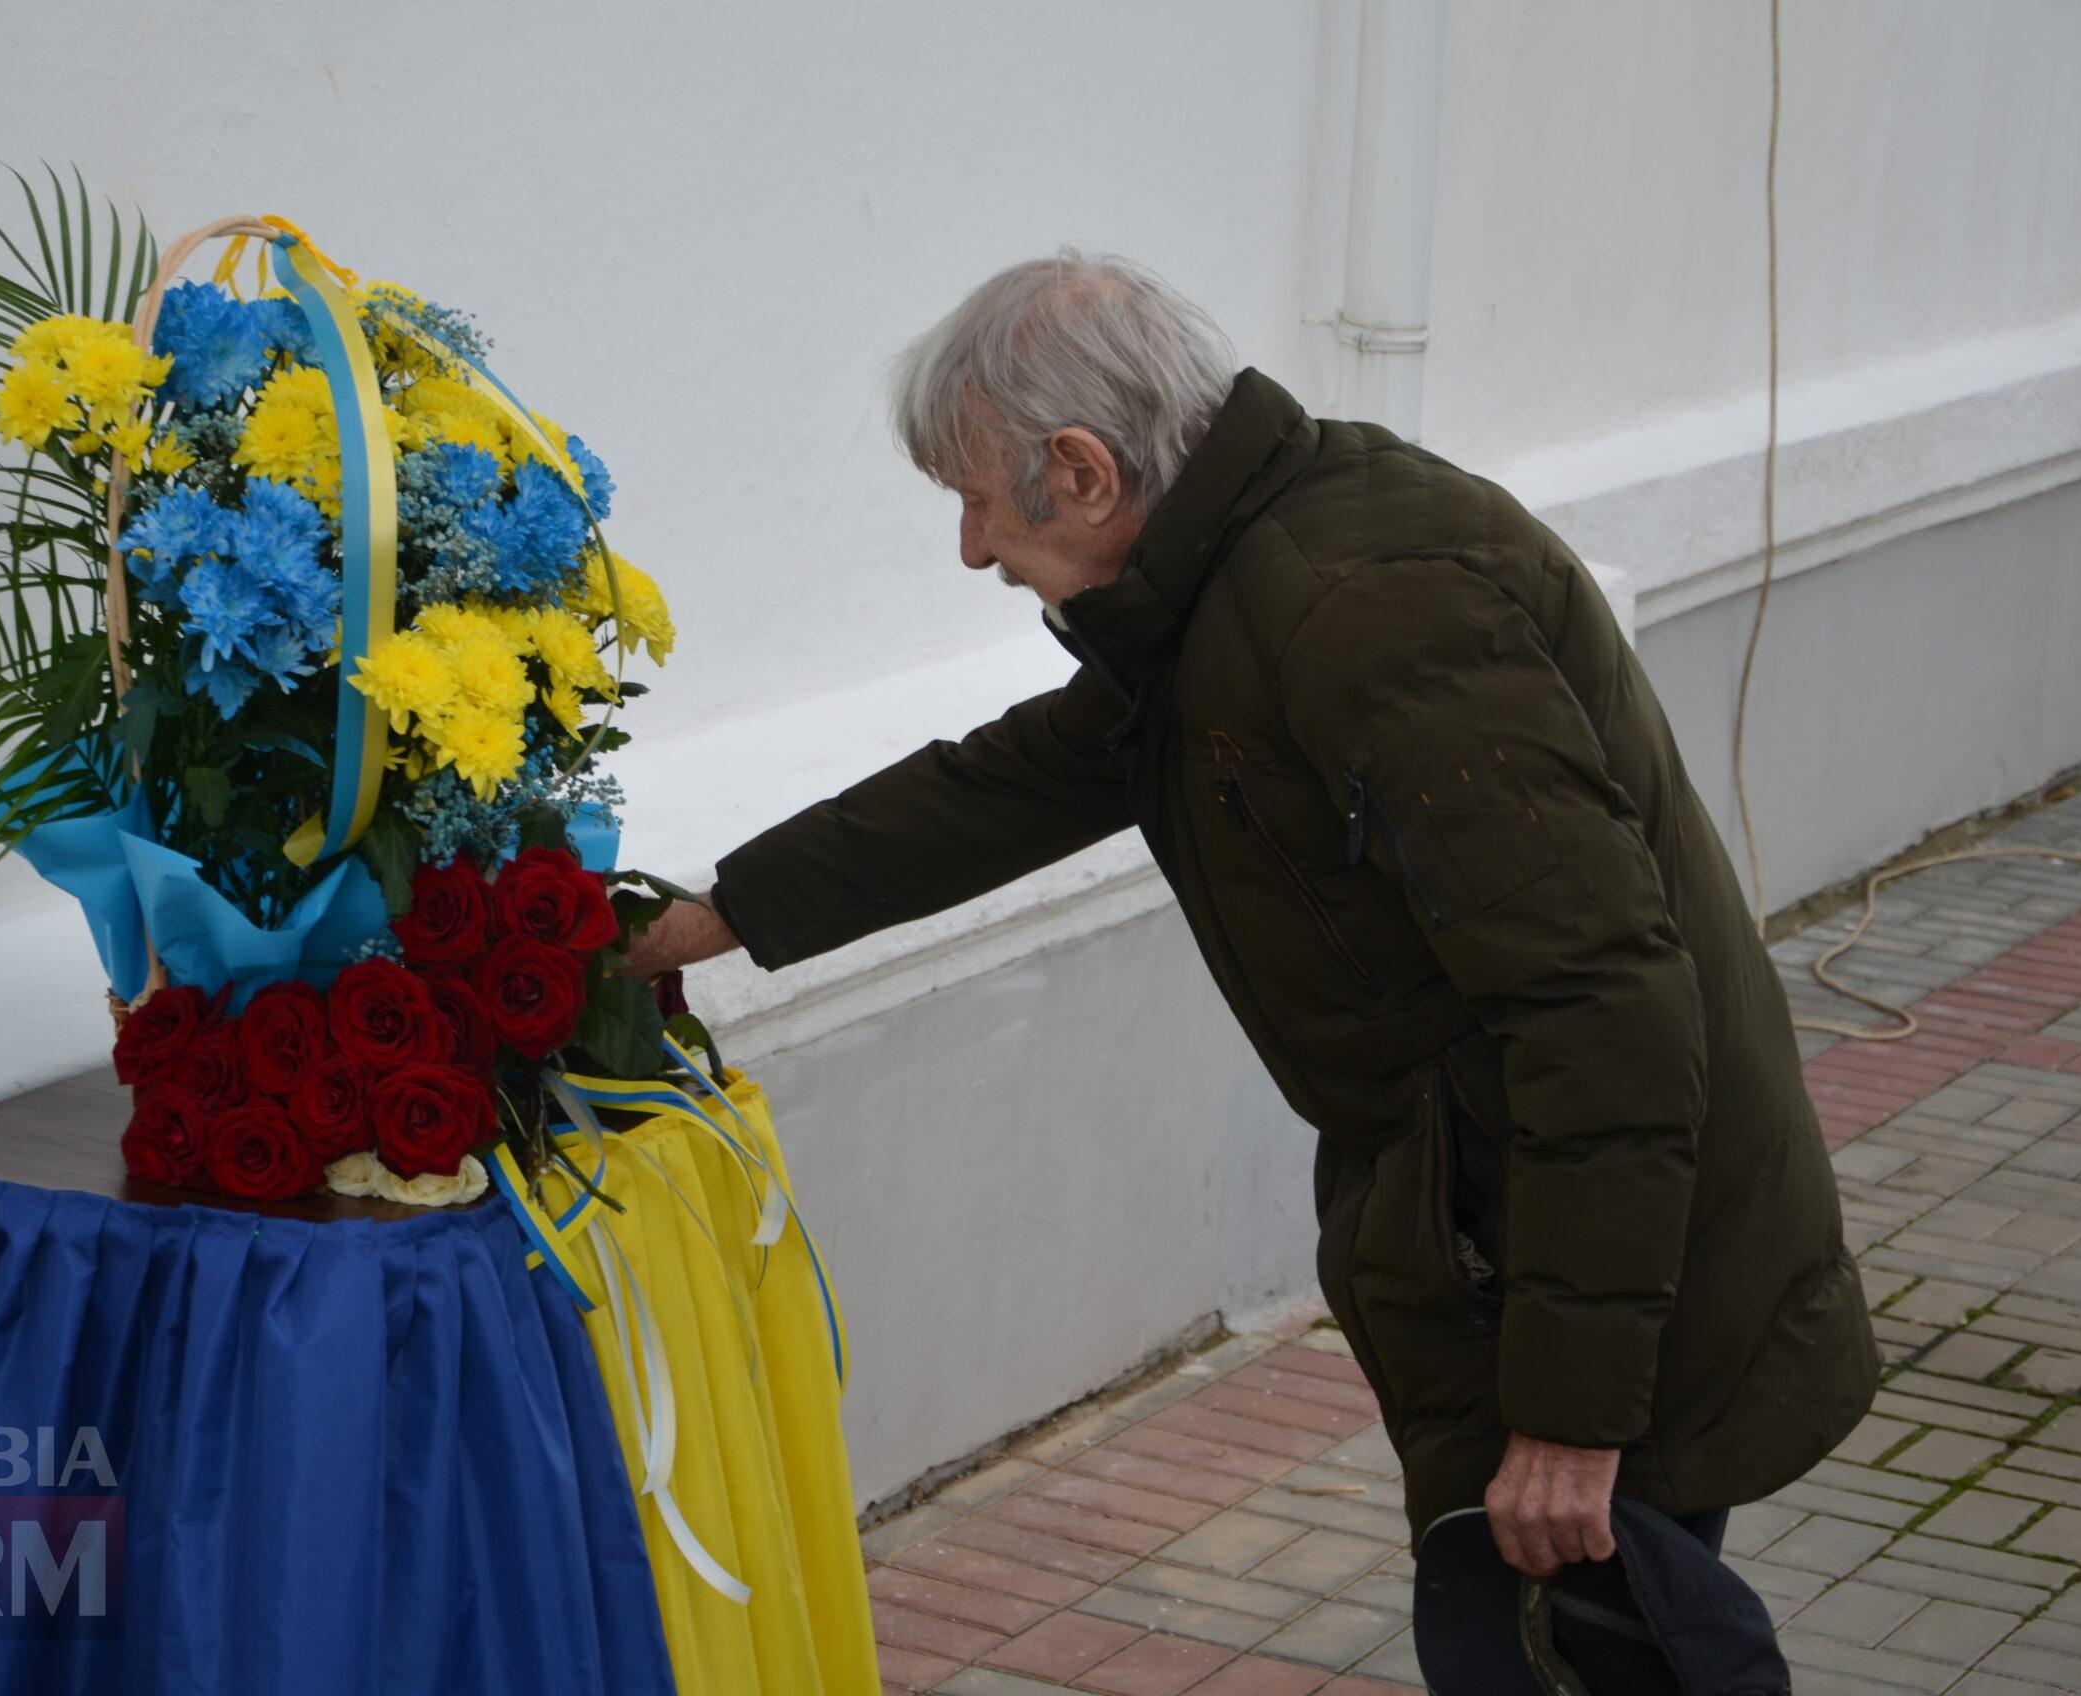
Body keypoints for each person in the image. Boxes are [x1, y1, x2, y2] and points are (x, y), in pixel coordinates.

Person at [627, 249, 1878, 1681]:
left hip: (1601, 1272)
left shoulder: (1365, 612)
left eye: (978, 500)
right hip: (1519, 1242)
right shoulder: (1235, 576)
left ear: (1084, 471)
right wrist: (716, 915)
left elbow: (1603, 1010)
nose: (972, 549)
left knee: (1581, 1651)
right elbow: (1014, 782)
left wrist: (1573, 1417)